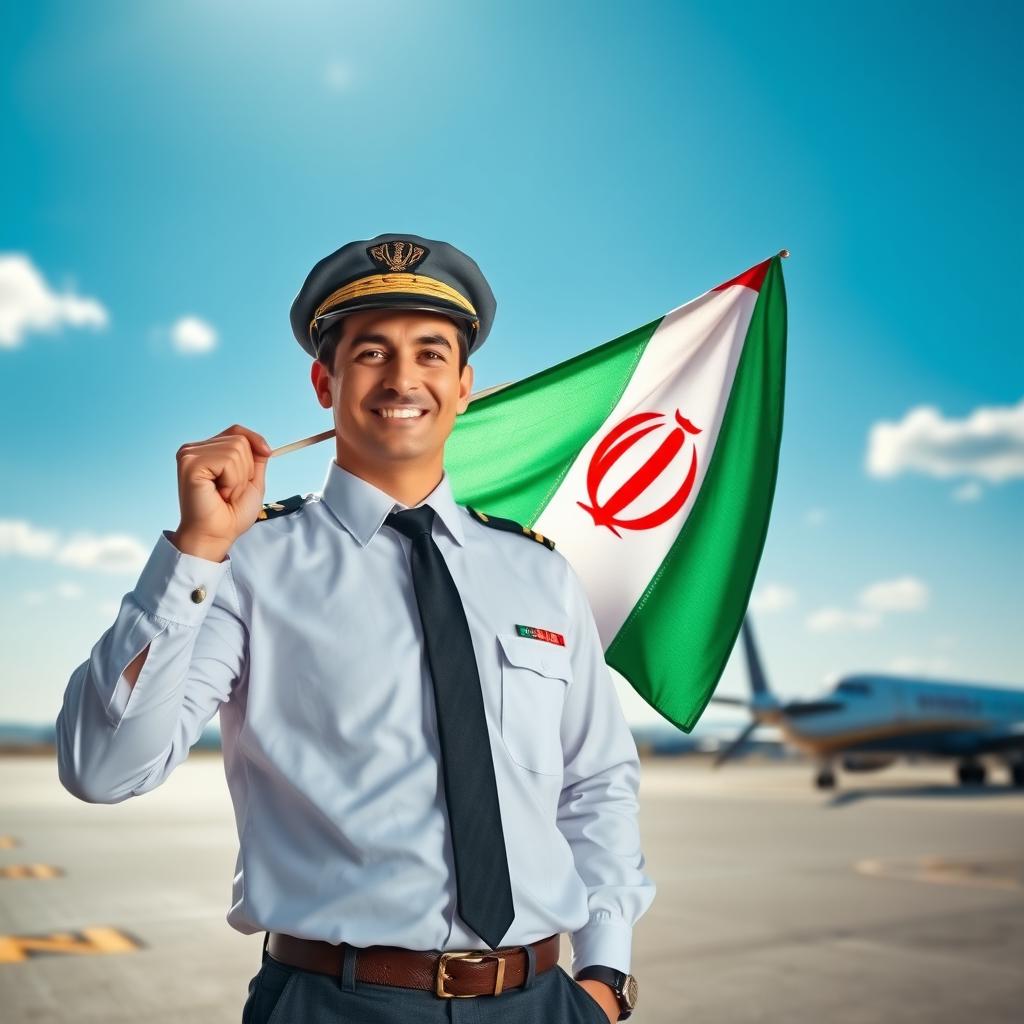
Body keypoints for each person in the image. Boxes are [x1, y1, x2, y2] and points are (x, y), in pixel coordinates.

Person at [55, 232, 656, 1023]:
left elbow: (596, 781)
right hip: (337, 1003)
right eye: (371, 353)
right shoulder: (248, 565)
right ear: (323, 381)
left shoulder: (539, 572)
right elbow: (103, 769)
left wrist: (606, 975)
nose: (404, 378)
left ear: (466, 384)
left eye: (432, 354)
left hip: (542, 1002)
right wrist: (196, 550)